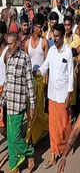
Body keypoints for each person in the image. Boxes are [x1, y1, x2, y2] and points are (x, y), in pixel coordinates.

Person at [37, 23, 74, 168]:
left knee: (64, 125)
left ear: (63, 36)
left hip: (63, 94)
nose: (56, 39)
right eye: (54, 35)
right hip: (52, 95)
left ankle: (66, 147)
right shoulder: (51, 51)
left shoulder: (68, 51)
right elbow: (44, 67)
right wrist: (34, 73)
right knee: (53, 127)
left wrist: (69, 94)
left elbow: (70, 74)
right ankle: (54, 153)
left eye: (58, 36)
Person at [0, 32, 35, 173]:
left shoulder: (25, 58)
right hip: (9, 103)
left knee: (15, 138)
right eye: (7, 44)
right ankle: (15, 167)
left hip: (19, 105)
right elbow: (7, 82)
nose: (8, 47)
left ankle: (29, 153)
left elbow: (29, 83)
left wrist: (32, 105)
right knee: (10, 138)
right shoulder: (9, 57)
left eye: (11, 44)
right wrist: (1, 101)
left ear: (18, 43)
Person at [25, 14, 49, 146]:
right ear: (33, 27)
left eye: (42, 27)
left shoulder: (44, 42)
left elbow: (47, 63)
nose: (40, 30)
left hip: (40, 81)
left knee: (38, 110)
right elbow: (25, 62)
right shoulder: (27, 43)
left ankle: (33, 136)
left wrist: (46, 83)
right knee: (30, 111)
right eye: (39, 27)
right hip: (29, 82)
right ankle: (32, 136)